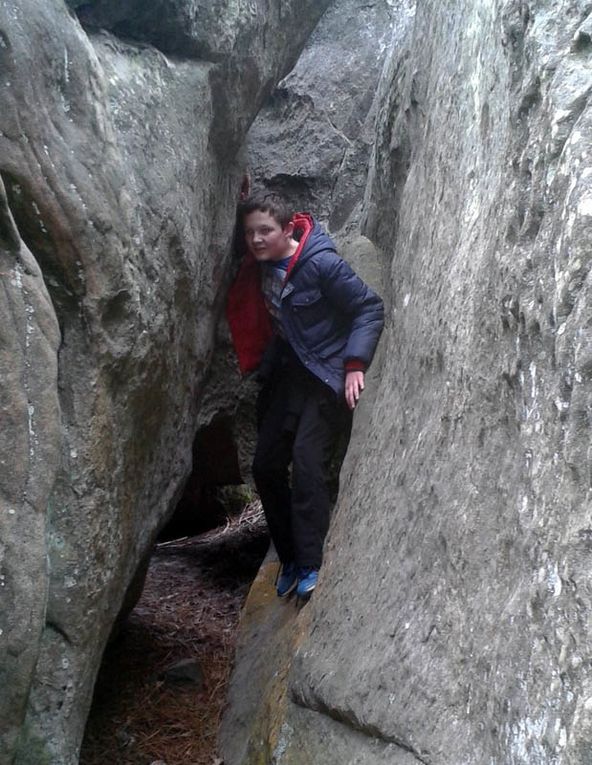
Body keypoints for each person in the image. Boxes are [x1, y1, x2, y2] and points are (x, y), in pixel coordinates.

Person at [227, 191, 384, 598]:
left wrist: (354, 365)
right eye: (250, 233)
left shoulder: (320, 264)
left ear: (287, 229)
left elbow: (369, 307)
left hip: (325, 372)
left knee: (307, 461)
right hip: (289, 374)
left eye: (266, 231)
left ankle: (312, 562)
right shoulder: (258, 264)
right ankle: (290, 557)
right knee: (265, 466)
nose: (257, 239)